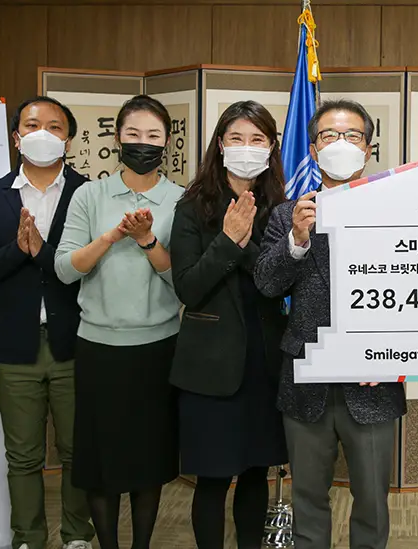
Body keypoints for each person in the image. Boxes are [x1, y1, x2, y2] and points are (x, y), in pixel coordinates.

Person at [254, 99, 406, 549]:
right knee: (307, 499)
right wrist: (297, 241)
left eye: (352, 136)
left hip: (373, 379)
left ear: (368, 148)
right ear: (314, 150)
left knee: (373, 503)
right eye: (329, 136)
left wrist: (394, 354)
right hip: (307, 377)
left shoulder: (398, 213)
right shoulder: (287, 214)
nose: (341, 143)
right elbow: (266, 284)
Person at [0, 96, 94, 549]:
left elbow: (97, 265)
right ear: (16, 138)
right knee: (23, 455)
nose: (43, 134)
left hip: (77, 342)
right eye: (33, 125)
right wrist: (17, 250)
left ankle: (77, 535)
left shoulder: (88, 193)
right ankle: (29, 538)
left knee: (78, 451)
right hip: (16, 346)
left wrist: (45, 252)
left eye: (55, 126)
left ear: (68, 140)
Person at [54, 95, 184, 549]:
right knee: (100, 462)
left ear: (167, 142)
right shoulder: (89, 195)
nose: (142, 143)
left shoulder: (180, 200)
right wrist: (111, 236)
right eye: (133, 133)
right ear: (117, 138)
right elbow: (65, 269)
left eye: (153, 135)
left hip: (158, 346)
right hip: (98, 347)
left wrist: (147, 239)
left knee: (149, 459)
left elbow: (183, 281)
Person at [169, 100, 289, 549]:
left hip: (265, 360)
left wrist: (242, 242)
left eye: (257, 139)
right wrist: (226, 240)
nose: (246, 147)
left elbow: (278, 282)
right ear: (220, 145)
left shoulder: (280, 208)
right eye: (236, 138)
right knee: (214, 478)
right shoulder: (192, 207)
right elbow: (188, 287)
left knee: (256, 472)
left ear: (271, 147)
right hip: (210, 366)